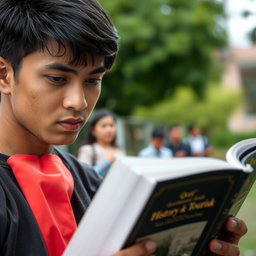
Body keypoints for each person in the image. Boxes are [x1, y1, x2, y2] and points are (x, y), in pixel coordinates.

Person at [0, 0, 247, 256]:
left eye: (93, 80)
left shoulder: (92, 183)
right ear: (4, 74)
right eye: (57, 79)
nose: (79, 101)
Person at [77, 108, 125, 177]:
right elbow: (84, 177)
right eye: (104, 126)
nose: (109, 130)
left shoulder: (119, 151)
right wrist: (106, 162)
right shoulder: (87, 150)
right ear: (93, 131)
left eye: (111, 125)